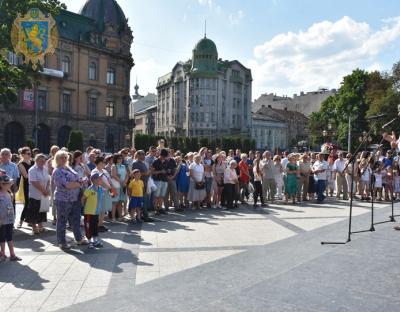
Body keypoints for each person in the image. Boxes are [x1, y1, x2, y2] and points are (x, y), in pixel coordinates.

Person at [52, 150, 88, 249]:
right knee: (62, 221)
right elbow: (67, 185)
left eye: (65, 157)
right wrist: (80, 183)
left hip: (74, 198)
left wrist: (81, 181)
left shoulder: (68, 168)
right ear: (56, 159)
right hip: (63, 199)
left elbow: (76, 180)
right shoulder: (57, 171)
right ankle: (62, 242)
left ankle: (79, 238)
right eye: (61, 157)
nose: (63, 159)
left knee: (76, 220)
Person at [27, 154, 50, 234]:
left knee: (42, 211)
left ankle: (41, 226)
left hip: (43, 194)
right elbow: (34, 182)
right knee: (34, 211)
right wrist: (44, 190)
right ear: (36, 161)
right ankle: (34, 228)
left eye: (44, 161)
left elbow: (48, 180)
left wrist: (47, 189)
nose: (43, 162)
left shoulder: (45, 169)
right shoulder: (32, 170)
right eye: (41, 161)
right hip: (35, 195)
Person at [0, 174, 21, 261]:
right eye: (8, 183)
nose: (10, 184)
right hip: (2, 220)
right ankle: (2, 254)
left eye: (10, 183)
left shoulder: (9, 193)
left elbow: (11, 207)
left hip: (9, 220)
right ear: (2, 184)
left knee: (10, 237)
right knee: (2, 238)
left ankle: (12, 254)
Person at [81, 173, 104, 249]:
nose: (101, 179)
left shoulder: (100, 189)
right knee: (88, 227)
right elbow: (83, 198)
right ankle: (90, 241)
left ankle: (95, 241)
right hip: (89, 212)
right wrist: (83, 207)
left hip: (96, 212)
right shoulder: (89, 189)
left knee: (95, 226)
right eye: (99, 178)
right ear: (94, 180)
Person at [92, 156, 113, 232]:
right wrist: (109, 187)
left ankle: (101, 224)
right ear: (99, 163)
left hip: (106, 191)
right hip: (99, 192)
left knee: (103, 209)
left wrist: (110, 187)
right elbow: (100, 182)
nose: (105, 163)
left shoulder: (104, 171)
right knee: (99, 209)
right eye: (104, 162)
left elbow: (109, 179)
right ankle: (97, 226)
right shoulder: (95, 171)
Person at [131, 150, 153, 222]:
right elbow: (134, 174)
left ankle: (142, 215)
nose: (144, 156)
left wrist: (149, 172)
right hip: (138, 186)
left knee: (144, 201)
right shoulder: (135, 163)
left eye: (144, 154)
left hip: (144, 184)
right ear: (138, 155)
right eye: (142, 154)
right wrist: (145, 173)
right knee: (141, 201)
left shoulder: (144, 163)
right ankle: (143, 216)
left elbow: (146, 172)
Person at [17, 147, 34, 228]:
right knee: (27, 203)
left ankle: (31, 221)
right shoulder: (21, 164)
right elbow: (26, 176)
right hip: (27, 185)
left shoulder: (33, 162)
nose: (30, 154)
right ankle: (20, 221)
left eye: (30, 153)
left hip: (35, 185)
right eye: (28, 153)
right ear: (23, 154)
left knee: (34, 203)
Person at [111, 153, 129, 221]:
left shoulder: (123, 166)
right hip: (115, 186)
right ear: (116, 159)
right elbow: (113, 175)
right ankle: (113, 217)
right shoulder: (114, 166)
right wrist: (122, 182)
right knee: (114, 202)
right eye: (119, 158)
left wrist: (125, 182)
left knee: (121, 201)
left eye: (121, 158)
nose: (120, 159)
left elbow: (127, 175)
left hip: (123, 186)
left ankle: (120, 217)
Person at [151, 148, 169, 215]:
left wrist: (168, 171)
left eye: (165, 156)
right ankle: (155, 208)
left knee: (162, 195)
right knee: (156, 195)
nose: (164, 158)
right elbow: (152, 172)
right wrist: (160, 171)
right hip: (157, 180)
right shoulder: (155, 161)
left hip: (164, 180)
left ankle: (160, 208)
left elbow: (167, 170)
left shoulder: (166, 161)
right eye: (163, 156)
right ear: (160, 155)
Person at [47, 145, 60, 225]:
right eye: (55, 151)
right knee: (55, 200)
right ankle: (54, 217)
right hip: (54, 183)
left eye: (58, 150)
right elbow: (50, 172)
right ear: (52, 152)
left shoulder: (63, 159)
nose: (57, 152)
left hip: (63, 184)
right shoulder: (50, 161)